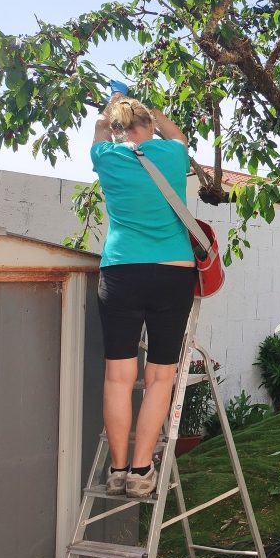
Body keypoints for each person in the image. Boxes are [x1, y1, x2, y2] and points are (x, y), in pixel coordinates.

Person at [92, 91, 195, 498]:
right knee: (159, 376)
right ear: (148, 124)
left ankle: (116, 470)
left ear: (118, 130)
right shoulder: (171, 155)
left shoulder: (107, 158)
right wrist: (150, 109)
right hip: (172, 272)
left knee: (119, 376)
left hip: (120, 271)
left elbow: (100, 131)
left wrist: (108, 112)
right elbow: (178, 134)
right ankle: (140, 470)